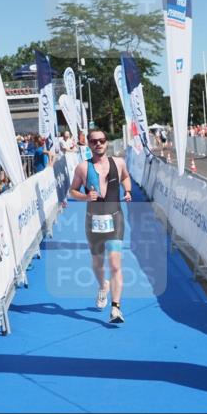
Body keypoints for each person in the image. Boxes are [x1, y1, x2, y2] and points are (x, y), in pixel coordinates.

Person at [69, 129, 132, 324]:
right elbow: (72, 191)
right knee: (98, 263)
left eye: (102, 140)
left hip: (115, 219)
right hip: (93, 220)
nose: (99, 144)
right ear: (88, 144)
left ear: (106, 142)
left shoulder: (118, 163)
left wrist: (128, 191)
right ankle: (103, 287)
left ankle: (116, 308)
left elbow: (125, 178)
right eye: (94, 141)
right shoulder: (82, 168)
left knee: (115, 264)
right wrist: (85, 197)